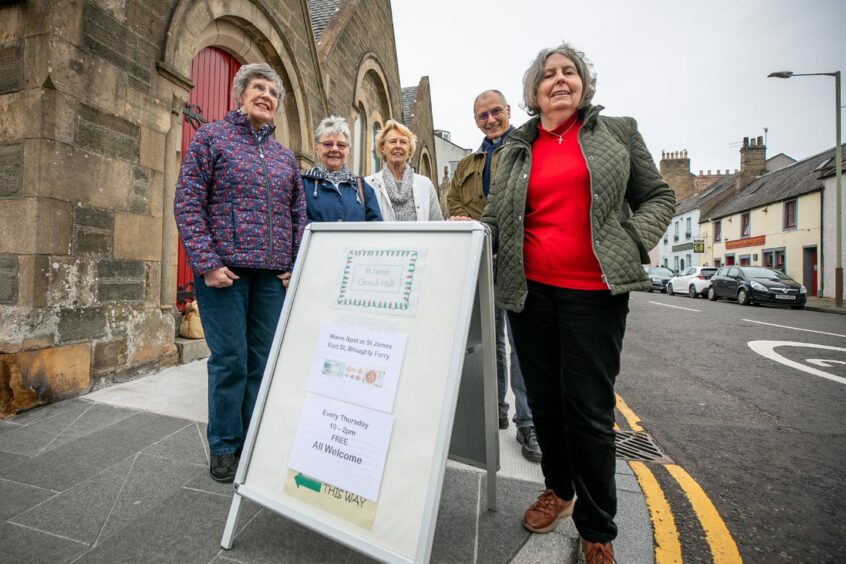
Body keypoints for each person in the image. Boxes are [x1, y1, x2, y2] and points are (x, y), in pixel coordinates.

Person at [480, 43, 674, 563]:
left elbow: (659, 195)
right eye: (548, 75)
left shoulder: (618, 133)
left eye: (569, 72)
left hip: (594, 295)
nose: (559, 80)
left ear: (583, 84)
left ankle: (597, 528)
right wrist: (468, 232)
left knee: (588, 411)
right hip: (528, 293)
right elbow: (498, 220)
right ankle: (559, 491)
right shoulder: (518, 149)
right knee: (544, 403)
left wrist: (634, 239)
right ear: (533, 91)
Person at [175, 63, 307, 483]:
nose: (266, 95)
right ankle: (225, 446)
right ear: (240, 93)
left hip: (270, 279)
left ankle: (255, 439)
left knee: (263, 362)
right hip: (224, 275)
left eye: (273, 91)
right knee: (230, 362)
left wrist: (293, 264)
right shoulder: (212, 138)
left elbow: (298, 215)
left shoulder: (285, 157)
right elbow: (188, 203)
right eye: (258, 87)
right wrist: (208, 263)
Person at [447, 90, 540, 463]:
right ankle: (495, 410)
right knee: (489, 340)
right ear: (476, 121)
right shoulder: (468, 162)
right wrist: (464, 222)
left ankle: (528, 421)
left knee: (521, 342)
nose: (490, 120)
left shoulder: (527, 151)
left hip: (517, 260)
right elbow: (452, 200)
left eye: (495, 112)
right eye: (482, 116)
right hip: (480, 259)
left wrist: (501, 235)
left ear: (508, 111)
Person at [302, 116, 382, 223]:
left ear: (348, 150)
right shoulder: (303, 184)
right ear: (317, 148)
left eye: (341, 145)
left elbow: (375, 230)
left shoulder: (362, 188)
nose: (334, 149)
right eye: (328, 144)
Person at [364, 120, 444, 221]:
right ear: (383, 148)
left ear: (410, 150)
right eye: (393, 141)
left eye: (403, 142)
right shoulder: (368, 185)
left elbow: (437, 226)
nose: (398, 146)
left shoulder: (425, 185)